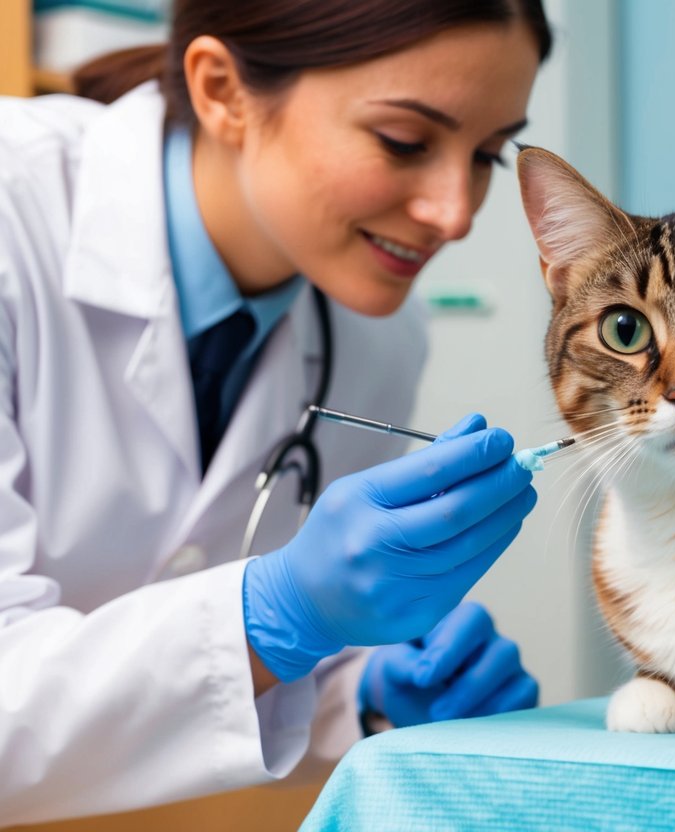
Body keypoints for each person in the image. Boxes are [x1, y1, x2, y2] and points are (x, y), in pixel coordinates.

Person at [0, 0, 552, 824]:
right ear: (222, 90)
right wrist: (277, 613)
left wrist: (363, 689)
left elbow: (235, 671)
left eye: (487, 156)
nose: (455, 214)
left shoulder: (379, 332)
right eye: (404, 141)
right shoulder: (16, 210)